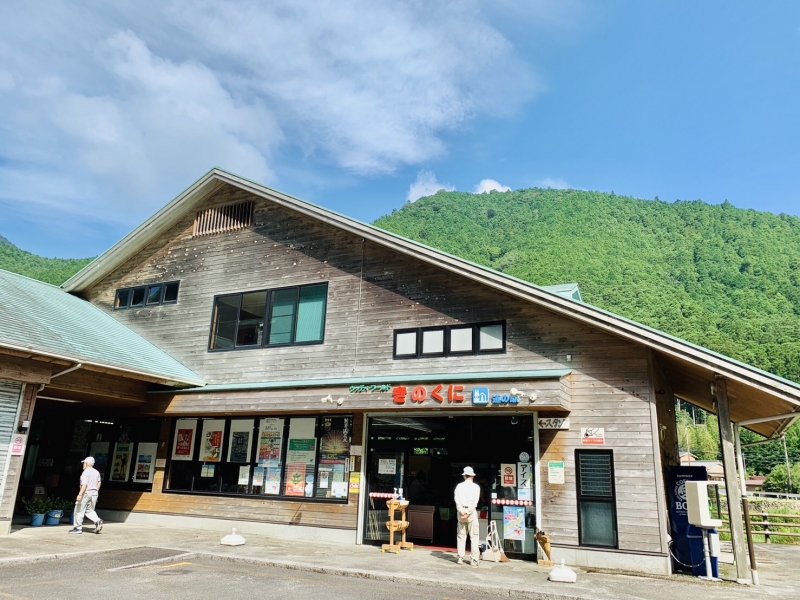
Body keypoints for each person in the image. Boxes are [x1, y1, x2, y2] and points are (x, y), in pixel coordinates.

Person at [454, 466, 481, 567]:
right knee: (474, 536)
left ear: (464, 476)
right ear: (473, 476)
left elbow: (456, 499)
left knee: (461, 536)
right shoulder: (476, 487)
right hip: (471, 513)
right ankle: (474, 560)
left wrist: (461, 511)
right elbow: (475, 501)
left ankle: (460, 558)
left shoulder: (459, 486)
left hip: (461, 513)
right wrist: (468, 512)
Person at [69, 456, 104, 534]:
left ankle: (77, 528)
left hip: (86, 493)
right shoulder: (96, 472)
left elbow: (84, 484)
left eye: (84, 463)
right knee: (89, 510)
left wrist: (80, 494)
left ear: (86, 463)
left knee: (79, 510)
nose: (83, 464)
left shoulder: (85, 472)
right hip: (94, 494)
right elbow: (99, 482)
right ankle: (97, 520)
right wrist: (96, 491)